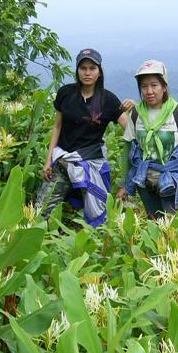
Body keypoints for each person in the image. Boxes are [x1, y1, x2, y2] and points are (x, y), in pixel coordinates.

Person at [36, 48, 131, 226]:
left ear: (99, 72)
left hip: (90, 166)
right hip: (62, 162)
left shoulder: (108, 100)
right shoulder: (65, 93)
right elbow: (57, 127)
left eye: (92, 68)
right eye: (83, 68)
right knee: (41, 212)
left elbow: (131, 130)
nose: (87, 73)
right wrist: (48, 161)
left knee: (97, 216)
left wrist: (137, 107)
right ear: (77, 70)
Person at [116, 60, 178, 218]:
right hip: (144, 179)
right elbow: (128, 149)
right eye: (144, 86)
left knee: (172, 225)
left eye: (154, 85)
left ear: (164, 86)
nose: (149, 91)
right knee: (154, 221)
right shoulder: (136, 114)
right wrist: (124, 185)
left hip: (172, 180)